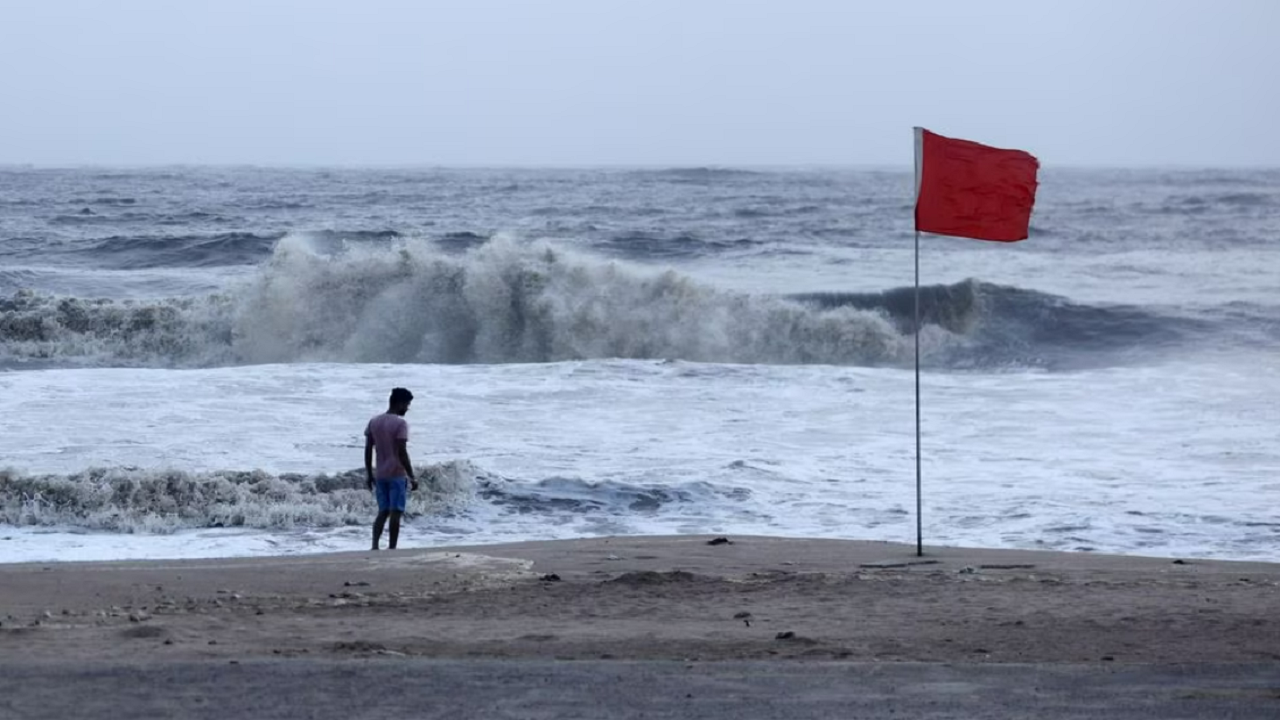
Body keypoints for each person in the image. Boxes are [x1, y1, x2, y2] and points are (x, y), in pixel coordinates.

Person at [364, 387, 418, 550]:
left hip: (380, 473)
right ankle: (392, 547)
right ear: (400, 403)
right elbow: (402, 451)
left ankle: (374, 545)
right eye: (407, 404)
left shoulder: (374, 421)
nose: (407, 408)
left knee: (383, 511)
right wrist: (411, 475)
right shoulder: (400, 423)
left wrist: (369, 473)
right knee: (396, 512)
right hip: (397, 473)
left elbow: (368, 449)